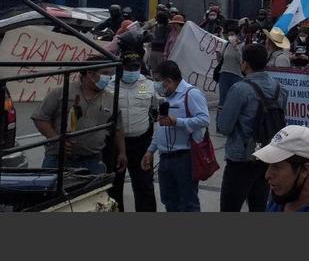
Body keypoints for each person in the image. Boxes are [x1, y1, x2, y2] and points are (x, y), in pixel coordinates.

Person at [217, 43, 289, 212]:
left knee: (230, 207)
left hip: (241, 158)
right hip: (267, 156)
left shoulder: (240, 89)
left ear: (245, 63)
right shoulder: (280, 89)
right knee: (258, 206)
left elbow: (225, 127)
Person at [32, 54, 124, 175]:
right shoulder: (61, 92)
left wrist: (122, 152)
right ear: (90, 73)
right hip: (58, 159)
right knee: (53, 192)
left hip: (92, 161)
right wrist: (57, 140)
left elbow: (117, 128)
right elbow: (41, 118)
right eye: (105, 73)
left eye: (111, 74)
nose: (109, 78)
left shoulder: (110, 98)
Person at [142, 60, 210, 212]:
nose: (156, 84)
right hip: (165, 158)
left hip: (184, 158)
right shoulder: (166, 96)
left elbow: (204, 119)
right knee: (169, 201)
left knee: (188, 203)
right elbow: (161, 127)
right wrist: (150, 150)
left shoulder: (191, 94)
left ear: (169, 81)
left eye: (158, 81)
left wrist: (177, 121)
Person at [105, 38, 158, 212]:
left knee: (144, 187)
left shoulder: (149, 85)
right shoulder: (108, 86)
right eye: (129, 68)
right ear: (121, 67)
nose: (133, 71)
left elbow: (156, 110)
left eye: (136, 67)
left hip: (141, 143)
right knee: (113, 188)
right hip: (113, 144)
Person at [217, 24, 244, 108]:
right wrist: (218, 56)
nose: (230, 36)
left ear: (237, 35)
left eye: (232, 34)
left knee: (235, 99)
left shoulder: (242, 45)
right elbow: (222, 60)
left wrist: (236, 47)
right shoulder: (226, 45)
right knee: (223, 99)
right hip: (224, 74)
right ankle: (220, 118)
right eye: (229, 35)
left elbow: (241, 61)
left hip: (236, 76)